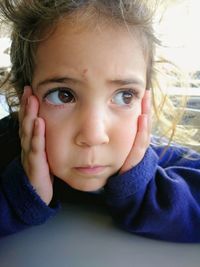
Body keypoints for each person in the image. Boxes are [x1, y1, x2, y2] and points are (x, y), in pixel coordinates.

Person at [0, 0, 200, 242]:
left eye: (125, 95)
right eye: (63, 95)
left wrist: (142, 189)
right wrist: (19, 196)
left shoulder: (154, 153)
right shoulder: (6, 144)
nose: (94, 135)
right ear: (24, 101)